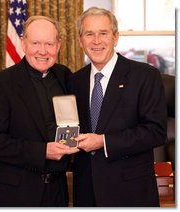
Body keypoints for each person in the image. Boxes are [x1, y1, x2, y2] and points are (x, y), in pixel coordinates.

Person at [0, 15, 79, 207]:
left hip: (57, 193)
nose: (42, 51)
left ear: (59, 45)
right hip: (14, 195)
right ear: (23, 44)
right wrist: (42, 151)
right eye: (35, 43)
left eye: (49, 43)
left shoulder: (65, 76)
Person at [69, 7, 167, 207]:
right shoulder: (74, 81)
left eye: (103, 33)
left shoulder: (145, 76)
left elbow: (156, 132)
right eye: (89, 34)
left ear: (115, 37)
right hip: (87, 193)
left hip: (130, 193)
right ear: (80, 40)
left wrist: (104, 141)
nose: (96, 41)